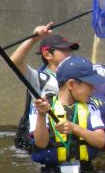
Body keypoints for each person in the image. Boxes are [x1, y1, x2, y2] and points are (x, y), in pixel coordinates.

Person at [30, 56, 105, 173]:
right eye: (89, 84)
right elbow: (41, 143)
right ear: (71, 84)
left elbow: (100, 141)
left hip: (85, 172)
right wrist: (41, 115)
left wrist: (75, 128)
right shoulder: (42, 105)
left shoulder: (91, 105)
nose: (93, 88)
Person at [11, 23, 79, 152]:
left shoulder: (76, 79)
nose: (70, 54)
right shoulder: (38, 78)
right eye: (64, 50)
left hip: (59, 134)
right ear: (47, 55)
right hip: (33, 138)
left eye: (70, 50)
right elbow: (14, 61)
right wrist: (34, 39)